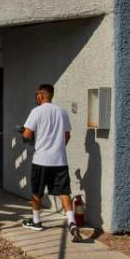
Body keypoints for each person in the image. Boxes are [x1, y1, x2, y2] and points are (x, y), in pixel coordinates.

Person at [22, 83, 80, 242]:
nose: (36, 97)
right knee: (64, 192)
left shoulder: (36, 111)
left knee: (37, 192)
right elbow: (67, 136)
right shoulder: (62, 112)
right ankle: (72, 224)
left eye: (37, 94)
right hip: (59, 160)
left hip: (41, 160)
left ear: (41, 95)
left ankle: (36, 221)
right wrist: (58, 148)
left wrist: (24, 133)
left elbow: (27, 134)